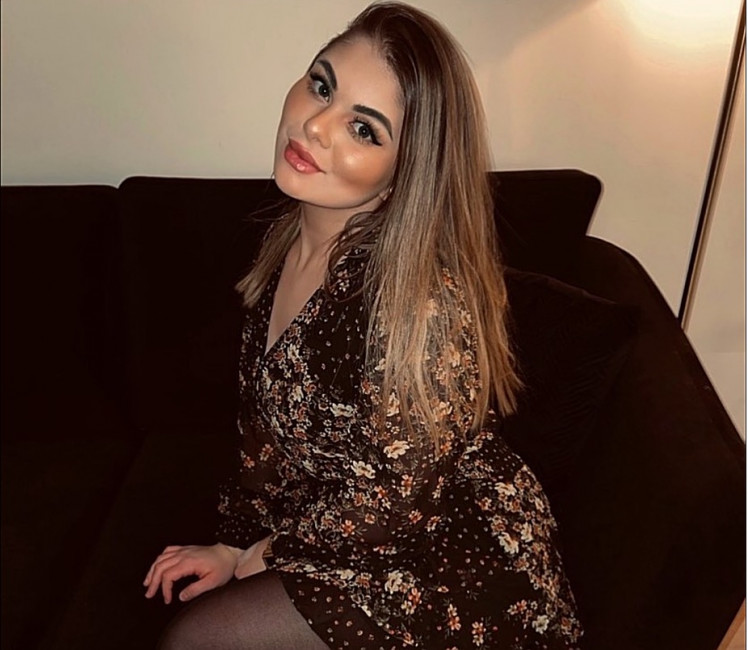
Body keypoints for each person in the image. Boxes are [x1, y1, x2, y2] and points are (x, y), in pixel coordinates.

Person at [144, 2, 583, 648]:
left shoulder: (418, 302)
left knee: (198, 640)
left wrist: (264, 554)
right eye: (322, 86)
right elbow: (262, 436)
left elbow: (398, 500)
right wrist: (232, 542)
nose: (315, 125)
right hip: (347, 525)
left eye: (364, 129)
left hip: (449, 559)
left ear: (407, 171)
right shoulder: (288, 242)